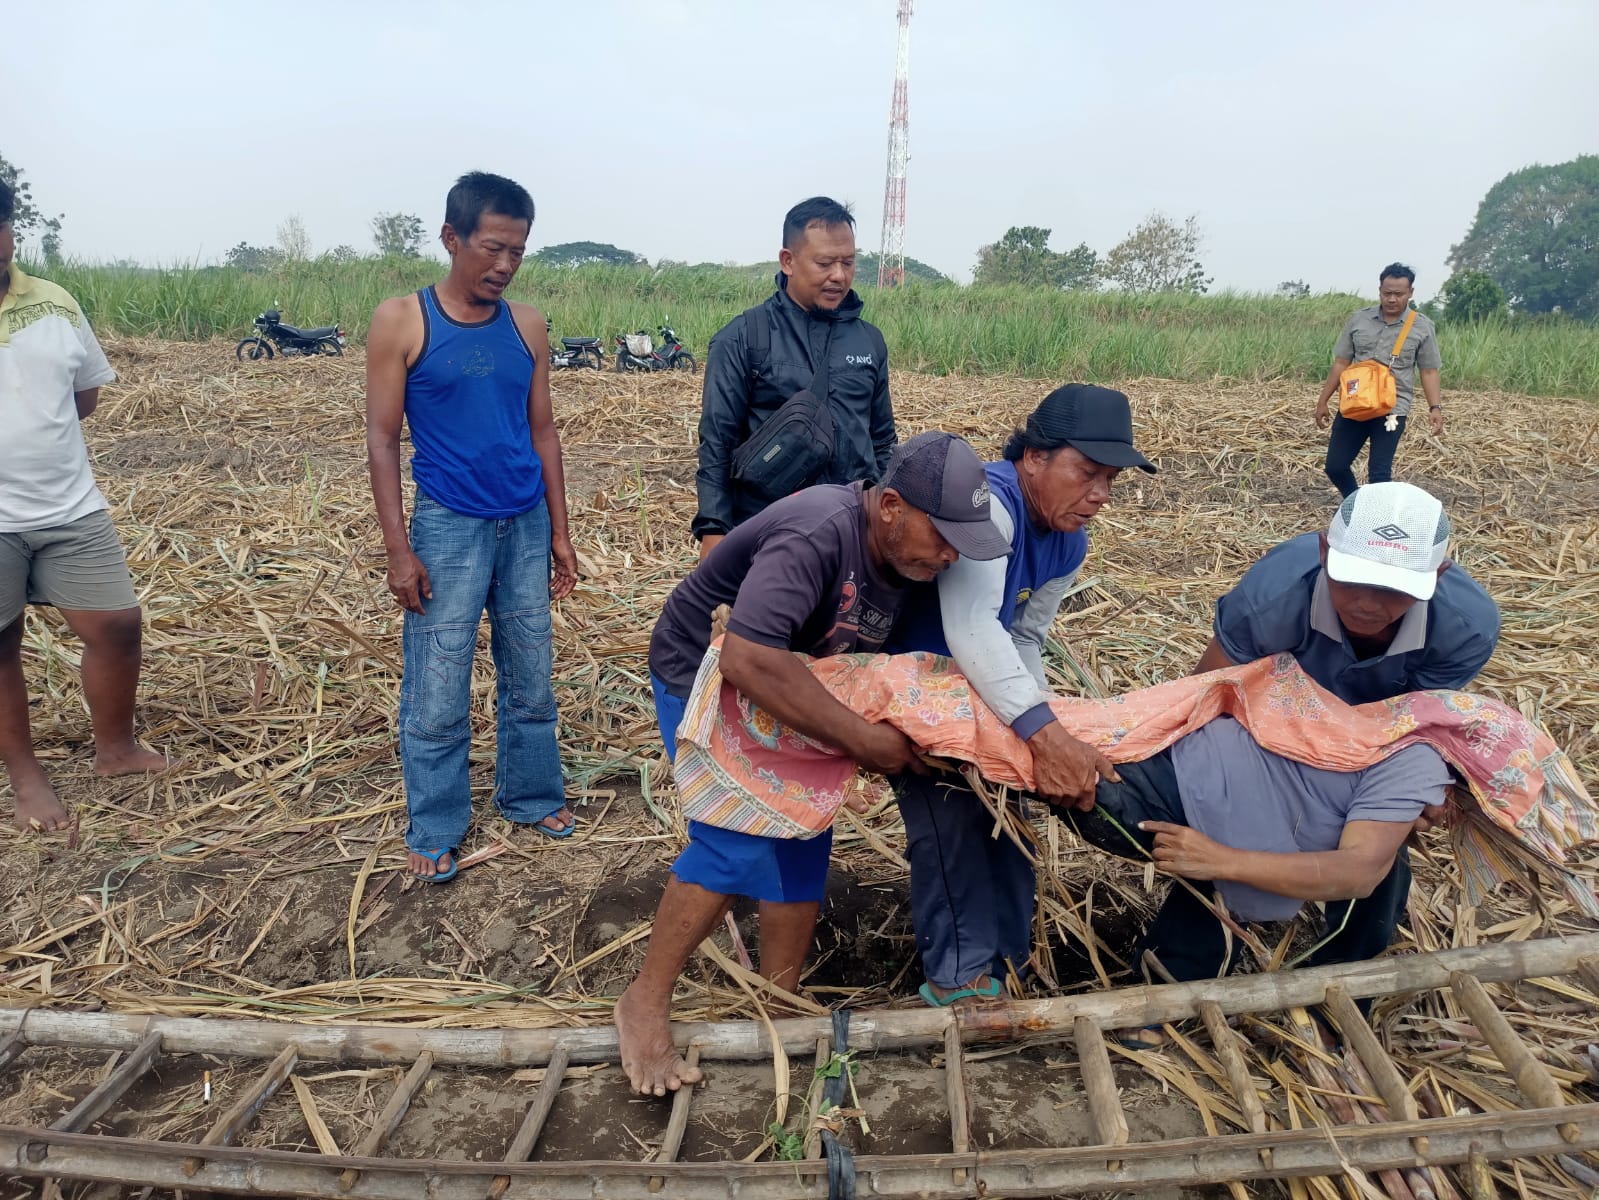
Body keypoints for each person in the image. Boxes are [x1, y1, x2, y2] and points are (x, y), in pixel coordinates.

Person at [620, 431, 1011, 1096]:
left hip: (796, 686)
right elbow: (746, 659)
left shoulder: (915, 564)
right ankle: (644, 1002)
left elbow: (907, 673)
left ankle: (780, 1003)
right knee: (734, 839)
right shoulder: (818, 531)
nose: (949, 555)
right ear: (890, 506)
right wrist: (863, 743)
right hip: (710, 671)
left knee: (803, 829)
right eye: (940, 536)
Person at [884, 385, 1157, 1005]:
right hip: (920, 693)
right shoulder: (991, 506)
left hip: (983, 694)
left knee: (1009, 826)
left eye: (1111, 479)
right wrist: (1043, 732)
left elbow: (1024, 634)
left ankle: (1009, 963)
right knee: (950, 824)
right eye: (1086, 472)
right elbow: (974, 625)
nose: (1100, 495)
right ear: (1033, 457)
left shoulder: (1070, 539)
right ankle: (960, 982)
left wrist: (1041, 724)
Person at [1192, 481, 1498, 988]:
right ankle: (1198, 957)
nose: (1368, 605)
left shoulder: (1464, 627)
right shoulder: (1272, 597)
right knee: (1225, 820)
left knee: (1381, 851)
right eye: (1352, 579)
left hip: (1378, 734)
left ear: (1437, 575)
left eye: (1395, 589)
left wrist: (1420, 795)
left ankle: (1345, 979)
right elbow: (1206, 693)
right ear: (1324, 549)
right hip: (1271, 721)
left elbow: (1419, 725)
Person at [365, 172, 578, 882]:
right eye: (492, 247)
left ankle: (532, 795)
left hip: (521, 522)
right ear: (452, 238)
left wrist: (560, 530)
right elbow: (382, 439)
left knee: (531, 671)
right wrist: (399, 550)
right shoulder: (404, 320)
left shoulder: (527, 325)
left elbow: (542, 429)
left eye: (517, 251)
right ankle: (435, 822)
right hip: (447, 526)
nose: (504, 265)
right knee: (438, 678)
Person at [1063, 710, 1454, 1039]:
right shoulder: (1283, 632)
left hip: (1300, 802)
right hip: (1235, 756)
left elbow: (1360, 871)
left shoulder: (1416, 755)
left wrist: (1221, 859)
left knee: (1382, 855)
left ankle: (1333, 1003)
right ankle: (1176, 980)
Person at [1, 177, 169, 833]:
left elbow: (84, 396)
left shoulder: (55, 303)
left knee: (118, 625)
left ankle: (116, 749)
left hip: (70, 507)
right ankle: (25, 775)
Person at [691, 197, 895, 559]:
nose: (839, 275)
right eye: (824, 263)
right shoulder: (743, 338)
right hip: (769, 533)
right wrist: (713, 527)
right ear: (788, 261)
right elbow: (717, 442)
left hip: (853, 533)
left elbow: (882, 439)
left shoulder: (869, 340)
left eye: (848, 262)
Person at [1314, 263, 1444, 497]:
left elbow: (1429, 371)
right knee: (1335, 466)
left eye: (1399, 294)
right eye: (1387, 293)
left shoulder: (1422, 326)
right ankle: (1357, 505)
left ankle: (1375, 523)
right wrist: (1323, 401)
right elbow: (1341, 362)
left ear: (1411, 293)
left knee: (1379, 473)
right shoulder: (1359, 319)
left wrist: (1435, 407)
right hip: (1355, 403)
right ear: (1379, 290)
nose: (1392, 299)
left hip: (1392, 410)